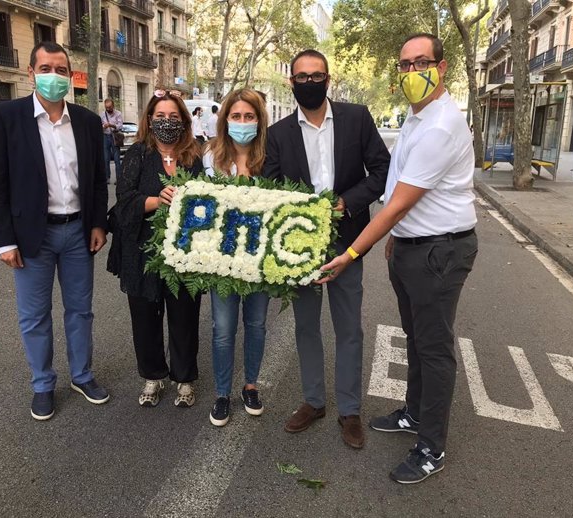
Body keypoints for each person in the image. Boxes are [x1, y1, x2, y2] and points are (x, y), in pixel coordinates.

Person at [318, 33, 478, 484]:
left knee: (434, 347)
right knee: (415, 338)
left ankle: (431, 447)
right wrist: (396, 239)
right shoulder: (417, 117)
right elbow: (397, 189)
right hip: (413, 246)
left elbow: (397, 204)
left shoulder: (442, 125)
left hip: (438, 251)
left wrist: (352, 251)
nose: (411, 72)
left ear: (442, 68)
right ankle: (412, 413)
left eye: (421, 62)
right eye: (405, 65)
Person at [263, 49, 390, 449]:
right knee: (305, 325)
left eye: (316, 76)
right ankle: (314, 401)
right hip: (298, 245)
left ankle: (350, 411)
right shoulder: (279, 133)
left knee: (349, 327)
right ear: (291, 82)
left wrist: (346, 202)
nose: (309, 82)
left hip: (348, 239)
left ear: (328, 78)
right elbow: (270, 189)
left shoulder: (357, 118)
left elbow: (383, 171)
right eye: (301, 77)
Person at [0, 42, 109, 421]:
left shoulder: (86, 121)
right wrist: (3, 240)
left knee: (80, 311)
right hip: (30, 236)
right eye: (46, 68)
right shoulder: (7, 116)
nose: (55, 75)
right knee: (34, 315)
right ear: (31, 72)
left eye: (61, 69)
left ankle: (82, 376)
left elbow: (99, 180)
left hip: (77, 232)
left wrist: (99, 222)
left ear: (70, 75)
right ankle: (42, 384)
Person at [108, 89, 203, 408]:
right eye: (160, 117)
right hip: (143, 252)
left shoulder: (194, 156)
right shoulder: (137, 154)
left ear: (184, 121)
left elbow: (207, 200)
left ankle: (185, 378)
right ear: (149, 120)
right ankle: (152, 376)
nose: (167, 122)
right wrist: (154, 200)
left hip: (184, 254)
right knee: (145, 317)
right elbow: (124, 200)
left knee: (184, 317)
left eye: (174, 117)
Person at [202, 88, 270, 427]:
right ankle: (222, 393)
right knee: (223, 329)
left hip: (259, 261)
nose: (242, 123)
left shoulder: (270, 158)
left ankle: (251, 386)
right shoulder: (210, 158)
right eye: (236, 116)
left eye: (249, 116)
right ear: (225, 119)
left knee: (256, 325)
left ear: (259, 120)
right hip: (222, 260)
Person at [101, 98, 123, 184]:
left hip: (114, 136)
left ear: (113, 106)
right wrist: (104, 126)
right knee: (106, 159)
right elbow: (100, 125)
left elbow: (120, 125)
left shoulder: (118, 113)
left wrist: (111, 125)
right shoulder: (102, 114)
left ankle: (119, 179)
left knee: (117, 159)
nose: (108, 109)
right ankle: (107, 178)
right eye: (106, 107)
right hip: (105, 137)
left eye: (110, 107)